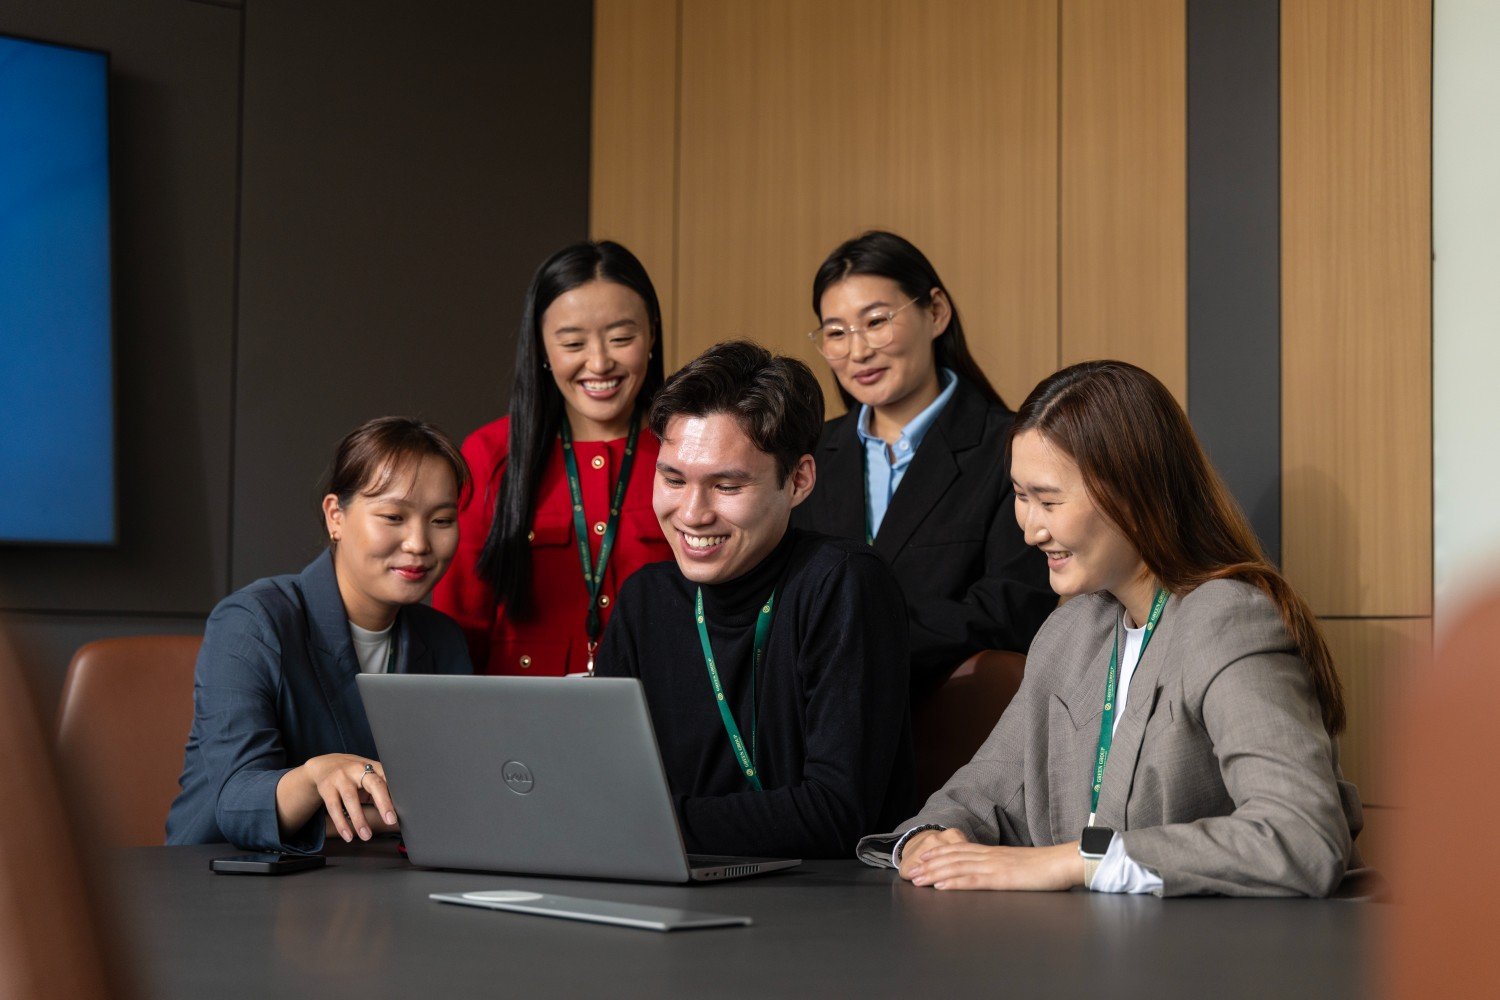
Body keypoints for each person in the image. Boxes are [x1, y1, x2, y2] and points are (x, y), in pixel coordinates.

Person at [857, 360, 1363, 896]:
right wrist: (928, 840)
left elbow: (1303, 835)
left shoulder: (1227, 619)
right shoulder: (1070, 632)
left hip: (1219, 946)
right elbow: (975, 796)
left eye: (1049, 501)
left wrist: (1075, 860)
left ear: (1132, 495)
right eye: (1021, 497)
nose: (1029, 530)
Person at [596, 340, 915, 858]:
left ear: (799, 480)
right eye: (673, 479)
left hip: (820, 894)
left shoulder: (843, 584)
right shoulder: (645, 600)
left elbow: (837, 813)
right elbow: (599, 786)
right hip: (667, 876)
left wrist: (647, 825)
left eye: (726, 486)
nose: (692, 514)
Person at [166, 417, 472, 851]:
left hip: (375, 876)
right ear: (335, 516)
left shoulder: (443, 640)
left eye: (441, 520)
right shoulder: (252, 622)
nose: (419, 543)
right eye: (393, 516)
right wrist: (314, 777)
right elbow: (237, 802)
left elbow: (456, 793)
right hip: (224, 874)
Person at [792, 231, 1055, 701]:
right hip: (812, 718)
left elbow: (1012, 607)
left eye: (876, 322)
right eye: (836, 333)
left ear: (935, 312)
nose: (857, 352)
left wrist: (858, 642)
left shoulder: (1013, 446)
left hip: (952, 720)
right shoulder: (806, 455)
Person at [433, 240, 672, 675]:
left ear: (652, 334)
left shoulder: (687, 450)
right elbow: (457, 626)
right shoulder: (491, 454)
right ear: (542, 346)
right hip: (514, 712)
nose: (599, 363)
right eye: (573, 343)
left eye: (621, 338)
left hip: (661, 707)